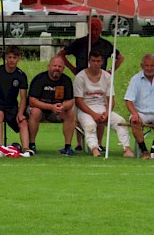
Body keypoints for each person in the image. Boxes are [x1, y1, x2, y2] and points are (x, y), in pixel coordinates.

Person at [58, 17, 125, 151]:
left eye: (97, 29)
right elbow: (61, 54)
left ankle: (99, 143)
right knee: (80, 108)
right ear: (88, 29)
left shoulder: (106, 44)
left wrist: (111, 71)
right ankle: (79, 142)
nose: (94, 32)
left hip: (100, 80)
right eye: (92, 29)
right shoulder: (80, 43)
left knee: (101, 108)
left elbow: (120, 57)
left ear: (101, 30)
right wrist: (73, 70)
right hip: (82, 80)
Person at [74, 50, 133, 158]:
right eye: (93, 61)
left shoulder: (107, 77)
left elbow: (111, 99)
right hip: (85, 109)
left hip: (103, 108)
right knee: (90, 125)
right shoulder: (80, 77)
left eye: (98, 61)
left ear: (102, 62)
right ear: (89, 61)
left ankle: (127, 148)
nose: (96, 63)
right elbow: (78, 101)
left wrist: (107, 112)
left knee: (120, 121)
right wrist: (93, 114)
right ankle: (94, 148)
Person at [0, 46, 30, 155]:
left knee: (23, 121)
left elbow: (23, 98)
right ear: (5, 58)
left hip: (12, 107)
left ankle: (26, 149)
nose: (12, 60)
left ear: (19, 58)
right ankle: (0, 147)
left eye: (15, 57)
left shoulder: (21, 76)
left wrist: (20, 113)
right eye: (9, 57)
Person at [28, 56, 76, 155]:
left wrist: (62, 107)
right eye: (54, 65)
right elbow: (32, 101)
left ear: (63, 69)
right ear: (49, 66)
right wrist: (51, 107)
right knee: (35, 112)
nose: (57, 68)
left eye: (60, 66)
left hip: (57, 111)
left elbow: (70, 101)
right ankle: (31, 145)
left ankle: (67, 147)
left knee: (70, 112)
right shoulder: (39, 79)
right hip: (40, 110)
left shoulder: (66, 80)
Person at [124, 53, 154, 159]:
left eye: (152, 65)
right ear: (142, 66)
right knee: (134, 120)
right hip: (141, 113)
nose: (149, 68)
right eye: (147, 66)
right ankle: (144, 151)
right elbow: (128, 100)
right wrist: (134, 113)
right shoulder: (136, 79)